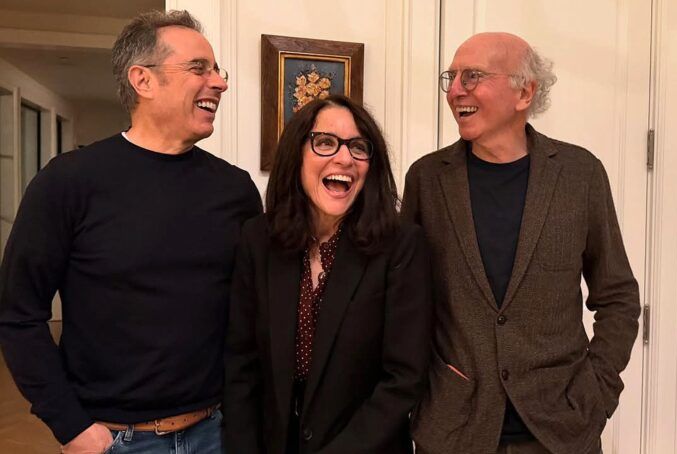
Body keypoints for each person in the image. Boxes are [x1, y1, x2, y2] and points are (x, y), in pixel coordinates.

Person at [0, 10, 262, 454]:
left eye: (218, 70)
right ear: (143, 80)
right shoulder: (69, 181)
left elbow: (252, 313)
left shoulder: (235, 190)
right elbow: (18, 315)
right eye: (199, 68)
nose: (219, 83)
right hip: (115, 440)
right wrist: (71, 426)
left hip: (216, 433)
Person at [403, 32, 640, 454]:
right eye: (451, 78)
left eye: (472, 76)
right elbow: (406, 301)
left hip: (561, 431)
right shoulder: (427, 178)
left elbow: (618, 297)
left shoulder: (580, 174)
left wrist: (597, 391)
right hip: (454, 430)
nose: (455, 91)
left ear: (525, 92)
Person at [224, 94, 432, 453]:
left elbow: (403, 379)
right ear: (297, 155)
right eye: (325, 142)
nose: (345, 158)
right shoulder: (258, 239)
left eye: (358, 147)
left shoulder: (401, 245)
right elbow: (241, 366)